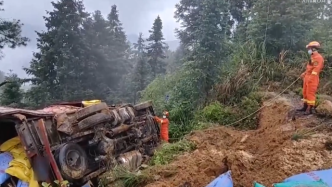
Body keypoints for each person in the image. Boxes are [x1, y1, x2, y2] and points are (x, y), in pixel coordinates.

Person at [297, 41, 324, 114]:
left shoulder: (318, 58)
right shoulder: (312, 56)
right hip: (307, 76)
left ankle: (309, 109)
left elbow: (316, 70)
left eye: (309, 48)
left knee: (310, 93)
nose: (308, 50)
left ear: (314, 49)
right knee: (305, 92)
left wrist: (311, 78)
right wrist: (304, 73)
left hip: (313, 78)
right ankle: (305, 106)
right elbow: (310, 68)